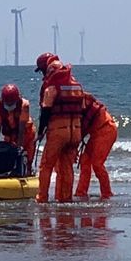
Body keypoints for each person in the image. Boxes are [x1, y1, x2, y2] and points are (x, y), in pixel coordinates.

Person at [35, 53, 84, 203]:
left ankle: (42, 198)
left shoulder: (52, 86)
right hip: (76, 132)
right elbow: (82, 109)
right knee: (67, 167)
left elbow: (46, 110)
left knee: (46, 165)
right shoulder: (77, 85)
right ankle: (65, 198)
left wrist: (41, 131)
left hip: (58, 132)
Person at [75, 92, 117, 199]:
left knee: (97, 164)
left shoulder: (83, 100)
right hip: (96, 132)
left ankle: (106, 193)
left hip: (106, 129)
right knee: (85, 160)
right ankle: (81, 192)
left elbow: (83, 127)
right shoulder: (79, 99)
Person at [0, 84, 36, 175]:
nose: (9, 105)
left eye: (11, 103)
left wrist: (19, 148)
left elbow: (21, 130)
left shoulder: (24, 105)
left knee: (27, 158)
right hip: (10, 135)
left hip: (26, 134)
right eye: (7, 103)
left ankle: (28, 171)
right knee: (8, 157)